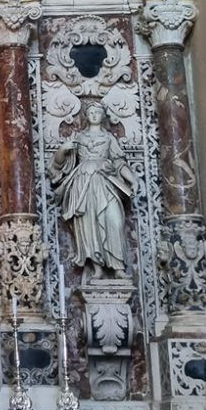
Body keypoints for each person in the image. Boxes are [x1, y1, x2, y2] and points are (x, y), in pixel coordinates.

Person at [47, 102, 138, 279]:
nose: (95, 115)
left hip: (105, 181)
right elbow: (59, 165)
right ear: (86, 116)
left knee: (115, 221)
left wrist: (132, 180)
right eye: (91, 112)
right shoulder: (78, 138)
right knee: (89, 224)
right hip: (83, 184)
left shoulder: (109, 138)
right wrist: (62, 150)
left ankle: (118, 266)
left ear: (103, 115)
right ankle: (97, 267)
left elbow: (119, 162)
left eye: (98, 112)